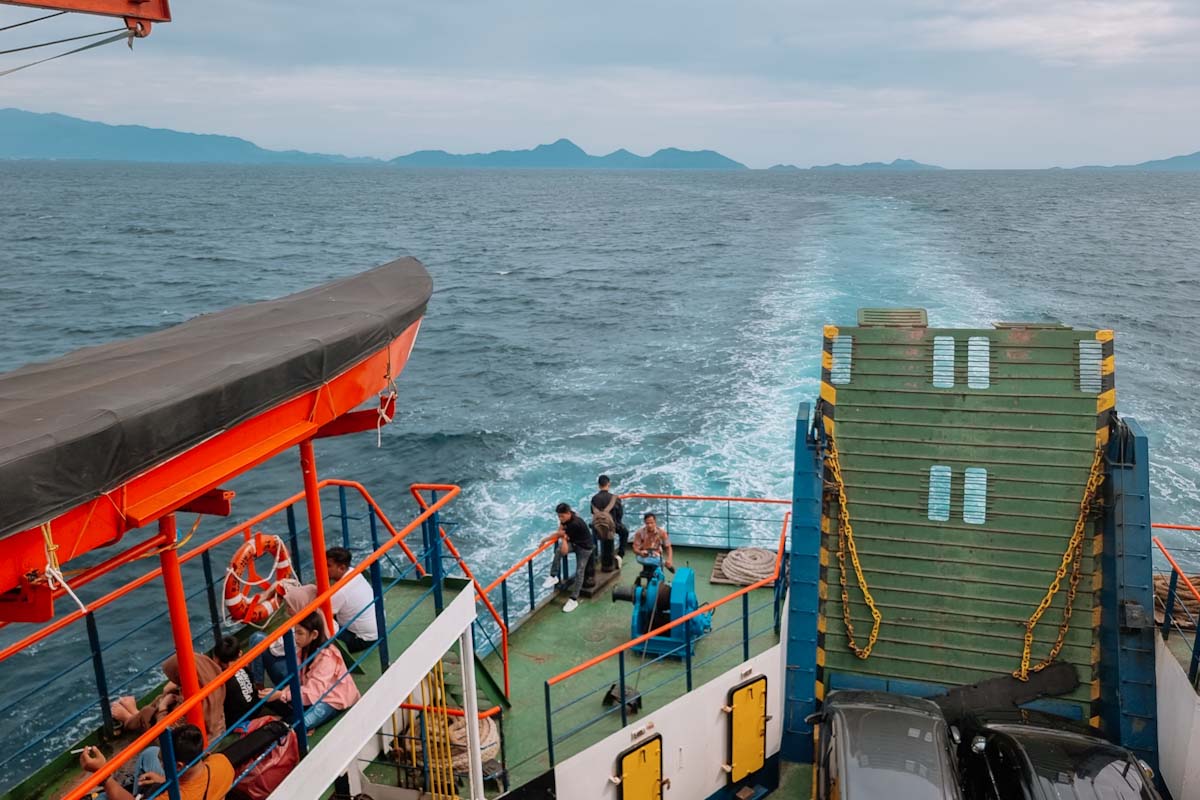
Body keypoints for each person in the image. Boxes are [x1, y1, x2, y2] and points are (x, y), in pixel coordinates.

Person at [79, 720, 291, 800]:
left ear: (178, 765)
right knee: (150, 754)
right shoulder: (221, 763)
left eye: (165, 761)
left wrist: (103, 774)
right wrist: (163, 781)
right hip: (206, 787)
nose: (162, 764)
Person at [257, 611, 361, 731]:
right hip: (311, 691)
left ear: (314, 634)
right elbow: (299, 678)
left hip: (332, 699)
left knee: (299, 725)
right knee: (274, 702)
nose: (295, 638)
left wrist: (282, 694)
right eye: (295, 632)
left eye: (300, 633)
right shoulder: (305, 649)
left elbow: (314, 692)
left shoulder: (326, 657)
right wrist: (283, 693)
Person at [324, 546, 380, 653]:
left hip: (362, 639)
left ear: (341, 568)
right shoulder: (354, 572)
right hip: (378, 629)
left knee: (319, 624)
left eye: (328, 566)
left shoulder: (339, 591)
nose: (324, 569)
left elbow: (324, 617)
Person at [543, 502, 594, 613]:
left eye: (562, 516)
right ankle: (553, 575)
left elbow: (565, 550)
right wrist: (546, 540)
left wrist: (563, 537)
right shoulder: (569, 518)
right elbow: (560, 531)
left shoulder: (574, 524)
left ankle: (573, 599)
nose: (560, 519)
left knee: (580, 571)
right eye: (558, 516)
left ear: (568, 513)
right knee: (558, 551)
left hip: (585, 548)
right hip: (576, 543)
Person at [212, 635, 256, 731]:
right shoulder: (245, 667)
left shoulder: (221, 681)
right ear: (239, 654)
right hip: (254, 709)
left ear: (216, 659)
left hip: (235, 721)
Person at [590, 474, 626, 571]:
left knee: (594, 534)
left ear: (599, 485)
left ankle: (595, 557)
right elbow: (619, 515)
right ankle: (620, 555)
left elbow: (593, 513)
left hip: (598, 529)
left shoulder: (594, 499)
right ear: (608, 484)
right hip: (611, 528)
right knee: (624, 532)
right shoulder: (614, 498)